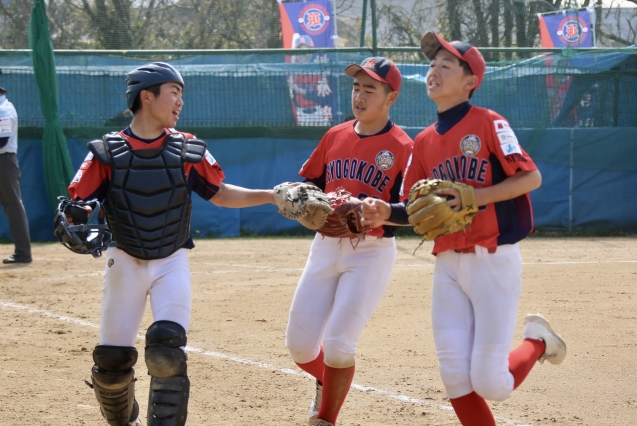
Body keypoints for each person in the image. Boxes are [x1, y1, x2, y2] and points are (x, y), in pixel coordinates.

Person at [361, 32, 567, 426]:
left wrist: (477, 196)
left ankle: (538, 341)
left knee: (492, 383)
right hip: (448, 264)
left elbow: (531, 178)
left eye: (446, 64)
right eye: (432, 64)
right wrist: (385, 211)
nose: (434, 71)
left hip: (493, 260)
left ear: (470, 81)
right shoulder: (423, 141)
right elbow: (412, 208)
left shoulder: (489, 122)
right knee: (455, 375)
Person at [65, 62, 276, 426]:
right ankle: (123, 417)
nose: (180, 102)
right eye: (174, 93)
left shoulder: (187, 148)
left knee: (167, 350)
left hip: (171, 260)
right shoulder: (106, 151)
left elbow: (221, 193)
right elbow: (78, 203)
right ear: (147, 97)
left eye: (181, 94)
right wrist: (74, 216)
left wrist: (271, 195)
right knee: (112, 364)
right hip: (124, 260)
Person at [285, 57, 413, 426]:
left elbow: (412, 209)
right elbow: (310, 183)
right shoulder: (335, 135)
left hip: (371, 252)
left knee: (339, 346)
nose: (359, 95)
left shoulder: (404, 147)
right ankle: (329, 382)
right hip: (325, 246)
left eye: (370, 89)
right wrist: (302, 198)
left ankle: (325, 418)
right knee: (299, 346)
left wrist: (384, 213)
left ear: (391, 98)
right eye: (356, 87)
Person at [0, 79, 32, 264]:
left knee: (13, 205)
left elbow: (2, 141)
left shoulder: (4, 109)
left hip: (4, 162)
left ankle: (23, 253)